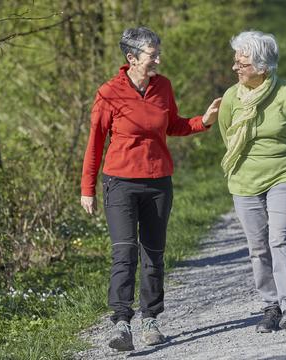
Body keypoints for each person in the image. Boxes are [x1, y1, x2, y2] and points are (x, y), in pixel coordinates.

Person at [80, 26, 221, 351]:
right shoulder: (108, 93)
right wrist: (87, 188)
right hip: (120, 183)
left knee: (154, 254)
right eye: (152, 53)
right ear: (131, 57)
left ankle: (151, 319)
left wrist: (205, 120)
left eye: (158, 52)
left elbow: (173, 125)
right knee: (125, 252)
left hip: (158, 182)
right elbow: (95, 144)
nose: (158, 58)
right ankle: (121, 322)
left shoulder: (163, 87)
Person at [218, 30, 286, 333]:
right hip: (244, 181)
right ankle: (270, 306)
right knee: (258, 246)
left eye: (242, 64)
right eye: (235, 62)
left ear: (262, 67)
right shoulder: (232, 97)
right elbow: (227, 136)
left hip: (284, 174)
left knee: (280, 237)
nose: (236, 68)